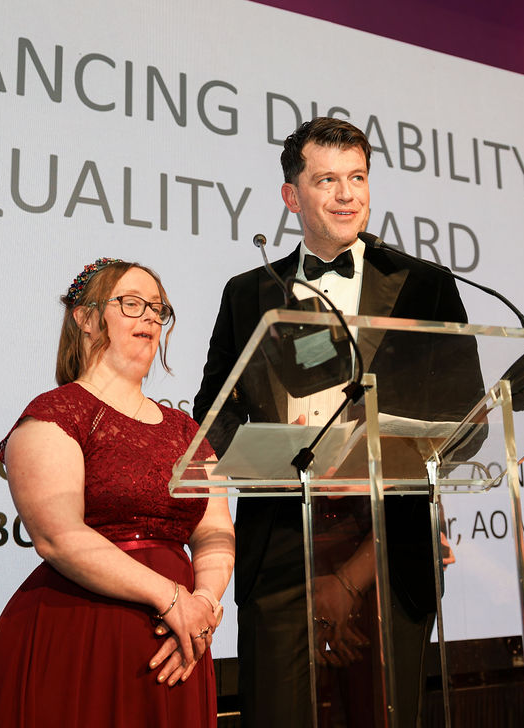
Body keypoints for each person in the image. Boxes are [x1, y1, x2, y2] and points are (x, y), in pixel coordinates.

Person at [193, 117, 484, 727]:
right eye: (327, 180)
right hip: (281, 542)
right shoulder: (247, 292)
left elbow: (469, 419)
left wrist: (402, 458)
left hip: (389, 540)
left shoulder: (426, 286)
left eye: (358, 177)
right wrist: (268, 451)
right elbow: (213, 415)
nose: (347, 194)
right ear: (291, 196)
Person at [0, 258, 234, 728]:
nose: (150, 317)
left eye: (158, 308)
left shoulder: (186, 429)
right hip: (82, 635)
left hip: (180, 642)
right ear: (86, 317)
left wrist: (203, 604)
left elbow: (215, 529)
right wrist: (172, 599)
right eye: (132, 303)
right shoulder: (56, 413)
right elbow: (58, 537)